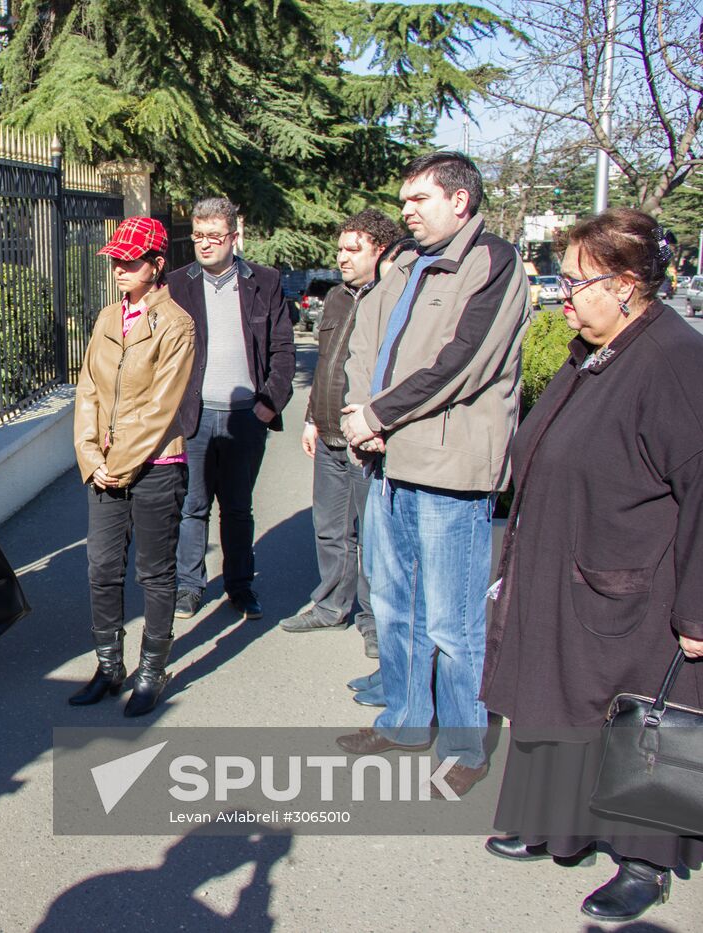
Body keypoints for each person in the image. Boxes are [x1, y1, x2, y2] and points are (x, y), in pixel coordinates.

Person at [479, 210, 703, 922]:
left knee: (645, 720)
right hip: (573, 564)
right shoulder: (594, 350)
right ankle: (560, 824)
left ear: (629, 285)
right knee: (561, 694)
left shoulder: (673, 359)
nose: (563, 296)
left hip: (642, 582)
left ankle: (646, 859)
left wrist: (699, 608)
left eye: (577, 283)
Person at [336, 152, 529, 799]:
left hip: (451, 468)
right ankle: (406, 720)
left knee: (453, 621)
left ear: (460, 201)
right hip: (394, 459)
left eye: (419, 198)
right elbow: (378, 349)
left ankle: (465, 744)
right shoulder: (416, 265)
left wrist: (378, 413)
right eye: (405, 199)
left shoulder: (492, 262)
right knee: (395, 606)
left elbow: (462, 361)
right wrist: (365, 419)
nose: (407, 210)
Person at [72, 217, 195, 717]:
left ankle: (151, 671)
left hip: (156, 465)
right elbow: (87, 391)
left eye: (131, 261)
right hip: (104, 466)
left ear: (157, 265)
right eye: (117, 260)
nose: (121, 268)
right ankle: (108, 667)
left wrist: (117, 463)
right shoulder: (106, 318)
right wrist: (91, 457)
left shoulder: (177, 325)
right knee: (101, 567)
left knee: (155, 573)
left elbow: (160, 409)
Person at [279, 210, 403, 664]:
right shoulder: (335, 297)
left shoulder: (395, 299)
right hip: (329, 430)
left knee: (372, 534)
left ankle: (373, 621)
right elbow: (326, 362)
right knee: (330, 528)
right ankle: (331, 606)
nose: (343, 257)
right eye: (340, 248)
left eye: (355, 249)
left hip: (367, 440)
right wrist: (311, 417)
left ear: (382, 252)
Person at [168, 197, 295, 621]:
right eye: (198, 236)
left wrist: (268, 403)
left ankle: (240, 586)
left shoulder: (265, 281)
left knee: (238, 507)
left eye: (214, 237)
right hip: (195, 416)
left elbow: (282, 349)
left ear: (233, 237)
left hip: (246, 416)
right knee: (192, 505)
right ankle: (189, 586)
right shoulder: (177, 284)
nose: (204, 244)